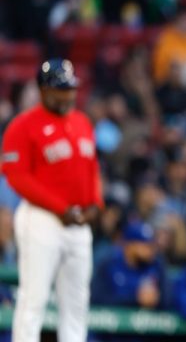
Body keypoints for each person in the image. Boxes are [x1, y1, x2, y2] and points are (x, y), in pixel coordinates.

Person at [1, 59, 102, 342]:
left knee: (77, 303)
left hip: (79, 222)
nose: (68, 95)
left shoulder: (82, 122)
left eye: (70, 88)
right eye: (61, 89)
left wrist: (96, 203)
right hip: (41, 219)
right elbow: (17, 176)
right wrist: (60, 209)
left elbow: (92, 168)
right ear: (43, 89)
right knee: (34, 298)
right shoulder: (22, 126)